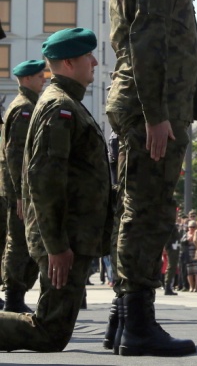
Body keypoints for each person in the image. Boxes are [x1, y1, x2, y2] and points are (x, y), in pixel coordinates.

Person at [105, 0, 197, 357]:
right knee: (147, 212)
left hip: (143, 106)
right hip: (152, 110)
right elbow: (146, 45)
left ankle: (123, 321)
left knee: (138, 208)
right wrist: (157, 116)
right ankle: (138, 325)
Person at [0, 28, 112, 352]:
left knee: (53, 331)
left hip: (71, 236)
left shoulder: (67, 103)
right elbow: (44, 178)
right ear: (68, 62)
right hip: (65, 239)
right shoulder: (59, 106)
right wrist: (57, 246)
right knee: (49, 332)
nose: (93, 61)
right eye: (87, 56)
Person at [1, 59, 46, 313]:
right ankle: (13, 299)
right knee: (18, 241)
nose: (44, 80)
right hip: (18, 191)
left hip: (21, 190)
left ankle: (15, 297)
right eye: (40, 76)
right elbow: (15, 155)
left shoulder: (27, 105)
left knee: (22, 241)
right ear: (27, 79)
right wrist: (20, 194)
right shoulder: (24, 109)